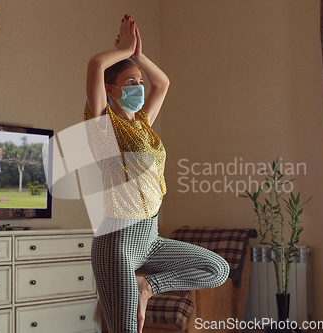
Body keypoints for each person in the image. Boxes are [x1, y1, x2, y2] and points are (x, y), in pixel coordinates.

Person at [85, 15, 230, 333]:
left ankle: (146, 286)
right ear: (110, 90)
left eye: (139, 81)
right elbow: (96, 63)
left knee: (216, 268)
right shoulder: (102, 125)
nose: (139, 87)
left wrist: (137, 55)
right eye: (131, 82)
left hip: (149, 238)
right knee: (127, 329)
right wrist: (123, 50)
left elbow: (162, 83)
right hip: (117, 242)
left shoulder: (142, 124)